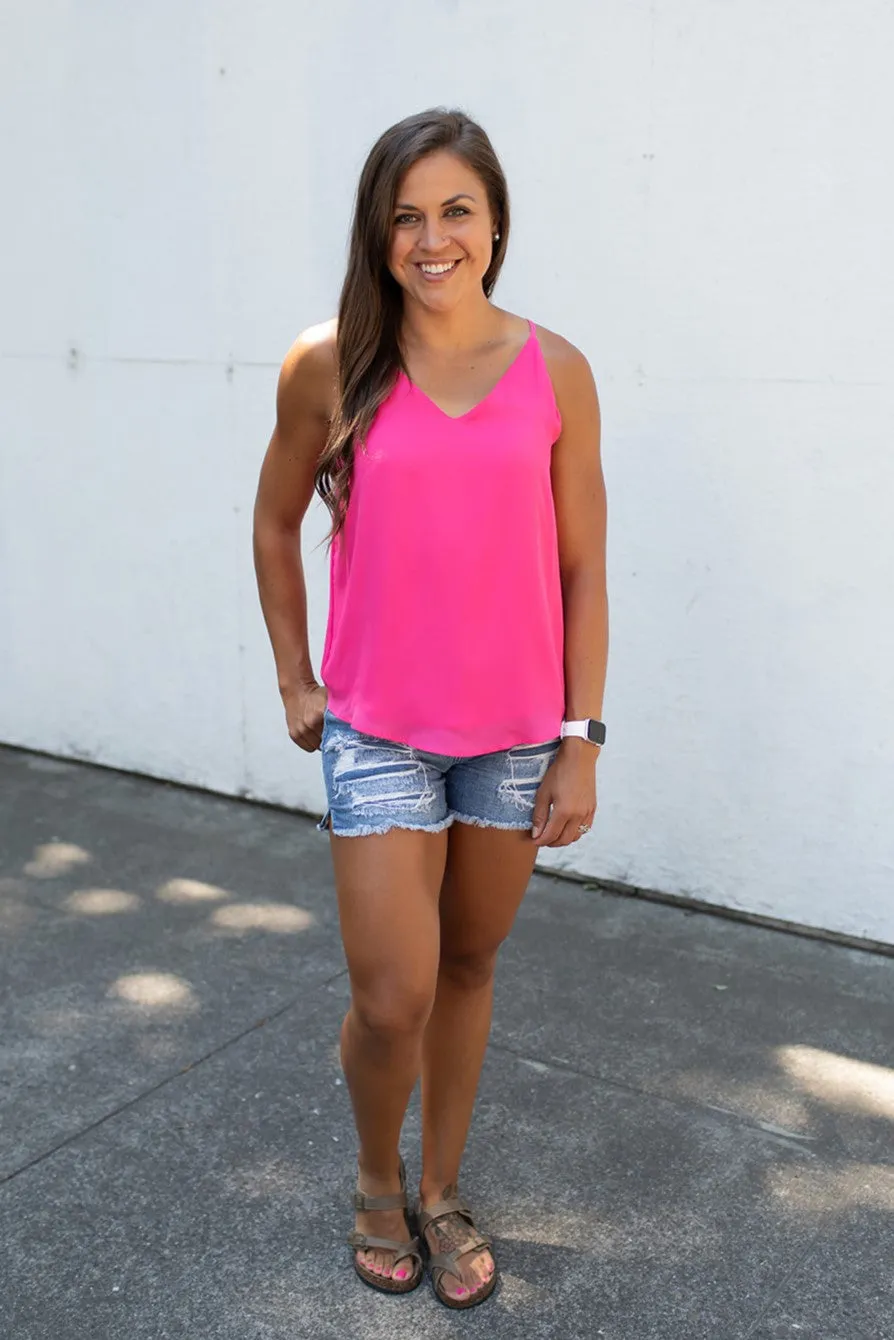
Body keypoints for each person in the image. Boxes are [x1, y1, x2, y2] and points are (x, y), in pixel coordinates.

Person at [252, 106, 608, 1311]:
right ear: (378, 232)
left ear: (497, 225)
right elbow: (272, 521)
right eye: (405, 214)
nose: (431, 235)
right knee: (390, 993)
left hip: (515, 741)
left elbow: (582, 571)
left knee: (466, 961)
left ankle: (442, 1187)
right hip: (378, 731)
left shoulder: (557, 369)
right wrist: (297, 675)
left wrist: (581, 739)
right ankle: (372, 1174)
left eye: (456, 209)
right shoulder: (331, 361)